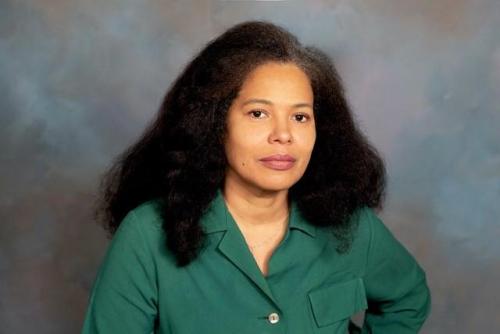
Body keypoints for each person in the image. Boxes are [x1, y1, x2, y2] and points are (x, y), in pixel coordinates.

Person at [82, 20, 431, 333]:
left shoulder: (351, 228)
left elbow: (408, 298)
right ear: (215, 124)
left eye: (300, 117)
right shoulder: (145, 236)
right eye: (258, 113)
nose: (284, 135)